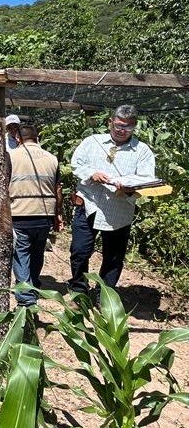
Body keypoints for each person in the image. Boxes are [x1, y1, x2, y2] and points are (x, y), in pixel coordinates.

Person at [68, 104, 155, 303]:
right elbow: (76, 163)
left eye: (128, 127)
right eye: (118, 125)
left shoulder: (142, 151)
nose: (122, 130)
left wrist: (130, 187)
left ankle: (104, 295)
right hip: (89, 205)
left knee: (113, 257)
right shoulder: (92, 142)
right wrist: (92, 174)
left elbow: (146, 178)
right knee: (79, 251)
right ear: (110, 123)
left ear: (134, 127)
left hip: (119, 209)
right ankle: (79, 290)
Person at [8, 124, 63, 307]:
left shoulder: (11, 156)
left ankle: (26, 299)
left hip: (20, 212)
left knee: (21, 252)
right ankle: (32, 285)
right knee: (37, 251)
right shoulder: (52, 158)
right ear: (37, 137)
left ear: (18, 139)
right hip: (45, 214)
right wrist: (58, 215)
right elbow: (58, 190)